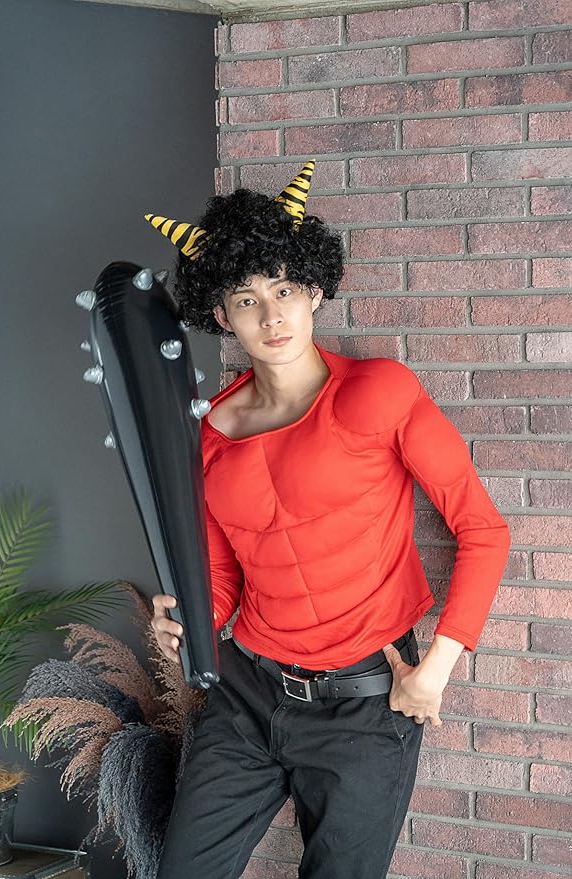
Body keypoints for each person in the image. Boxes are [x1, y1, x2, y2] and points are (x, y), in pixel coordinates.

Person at [146, 160, 511, 879]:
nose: (271, 316)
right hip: (247, 692)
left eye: (284, 289)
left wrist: (436, 670)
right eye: (246, 299)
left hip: (365, 703)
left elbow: (484, 529)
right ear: (221, 314)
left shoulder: (378, 392)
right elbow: (225, 571)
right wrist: (191, 617)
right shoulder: (208, 435)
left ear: (314, 290)